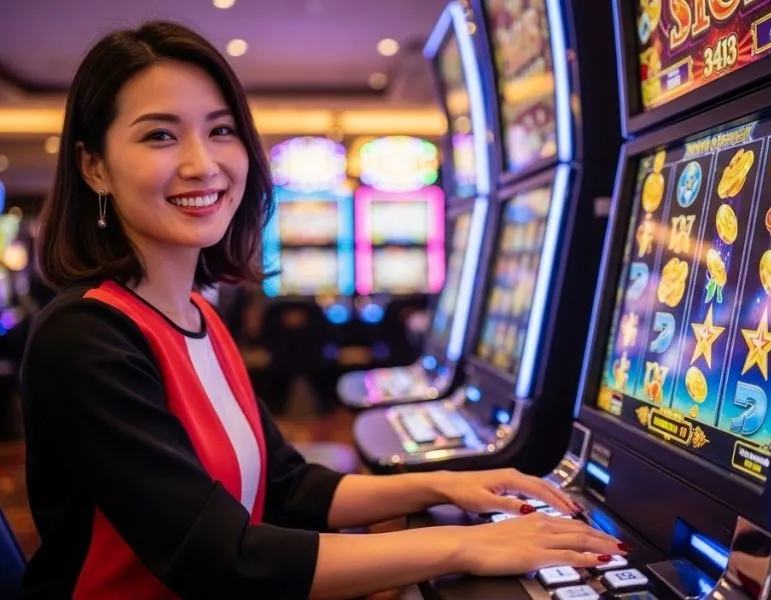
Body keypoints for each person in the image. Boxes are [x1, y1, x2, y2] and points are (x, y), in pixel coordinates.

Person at [19, 21, 626, 600]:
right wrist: (463, 548)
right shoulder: (85, 336)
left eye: (222, 130)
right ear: (93, 166)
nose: (202, 163)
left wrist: (449, 484)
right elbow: (218, 559)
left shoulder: (198, 318)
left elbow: (286, 486)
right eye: (160, 134)